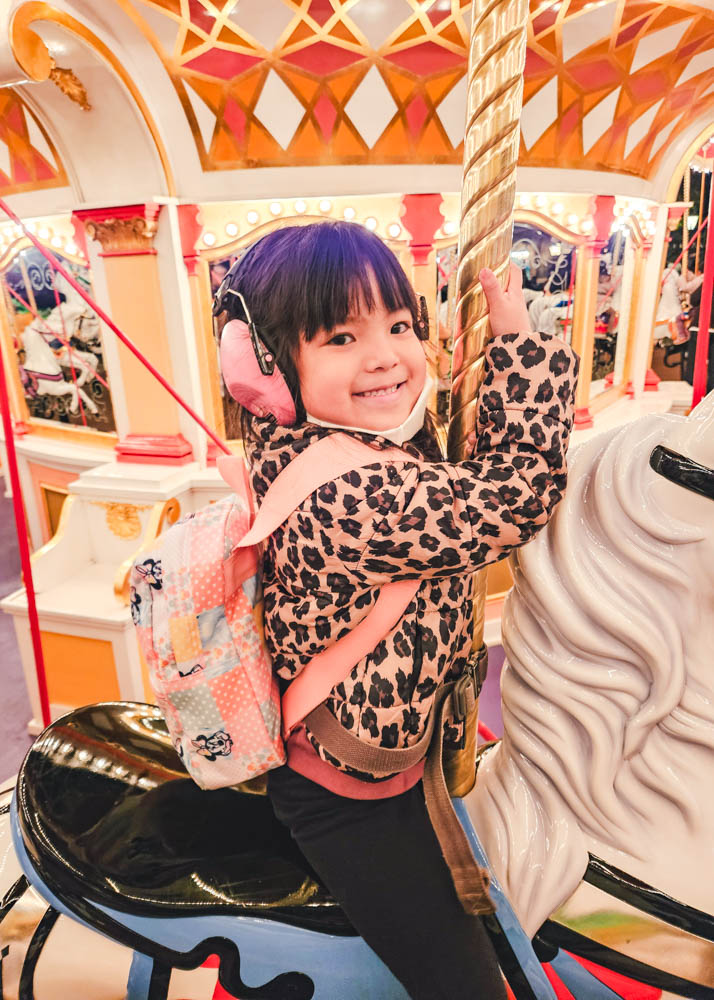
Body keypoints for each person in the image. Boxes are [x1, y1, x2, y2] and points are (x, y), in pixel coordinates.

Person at [216, 221, 579, 999]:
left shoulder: (371, 445)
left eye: (400, 326)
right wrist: (520, 344)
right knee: (465, 986)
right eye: (343, 336)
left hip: (406, 748)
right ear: (268, 371)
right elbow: (515, 494)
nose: (385, 355)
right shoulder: (353, 493)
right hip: (350, 796)